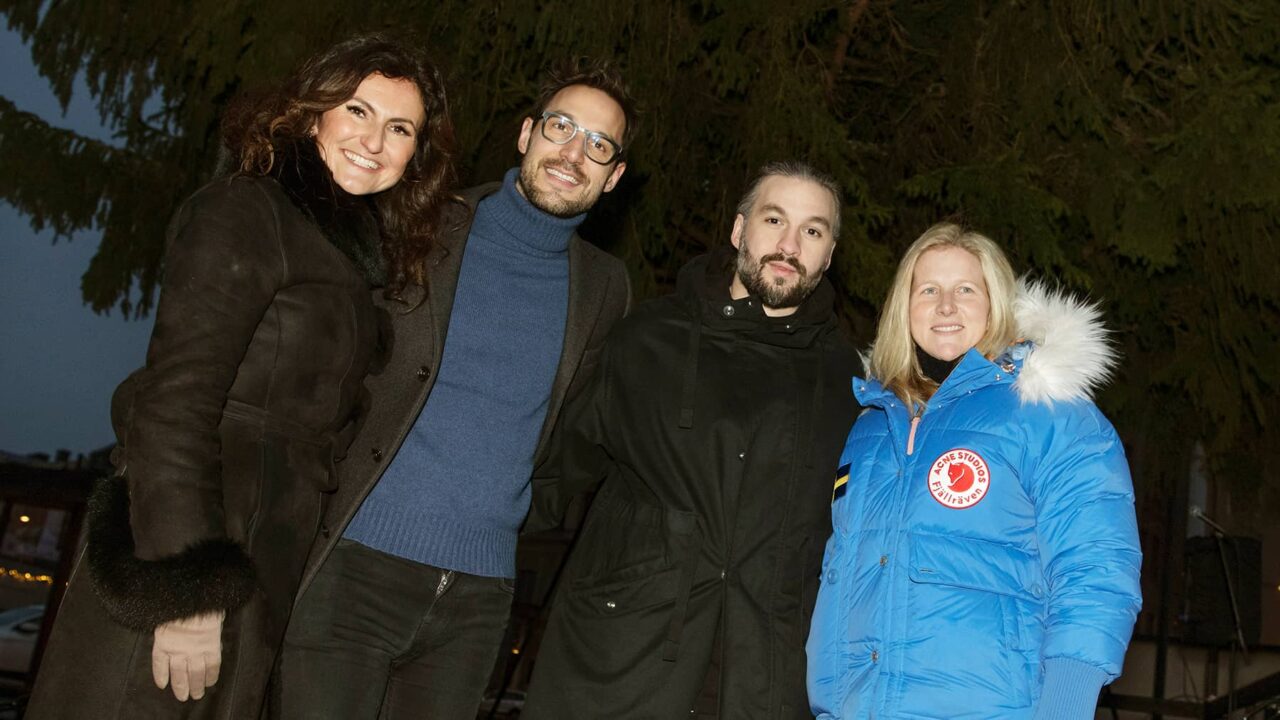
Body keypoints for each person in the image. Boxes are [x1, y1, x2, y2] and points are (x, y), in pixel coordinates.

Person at [26, 33, 456, 719]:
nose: (374, 140)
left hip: (262, 564)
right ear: (313, 114)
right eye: (356, 110)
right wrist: (186, 588)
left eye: (399, 127)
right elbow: (171, 405)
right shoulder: (246, 211)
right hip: (192, 548)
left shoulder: (354, 262)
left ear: (414, 159)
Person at [274, 59, 633, 718]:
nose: (573, 152)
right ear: (526, 134)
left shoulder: (606, 290)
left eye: (598, 144)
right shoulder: (420, 221)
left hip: (478, 600)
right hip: (357, 568)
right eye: (561, 126)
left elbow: (573, 426)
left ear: (613, 177)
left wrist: (525, 516)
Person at [521, 161, 862, 719]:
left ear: (828, 255)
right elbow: (549, 479)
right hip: (624, 655)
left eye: (813, 230)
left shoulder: (846, 382)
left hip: (760, 675)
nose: (789, 244)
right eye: (773, 219)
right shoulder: (647, 340)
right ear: (737, 230)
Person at [806, 223, 1143, 719]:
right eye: (928, 290)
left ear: (996, 304)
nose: (946, 306)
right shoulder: (871, 426)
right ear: (905, 307)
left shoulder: (1050, 412)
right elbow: (841, 576)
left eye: (966, 289)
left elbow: (1096, 568)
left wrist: (1066, 706)